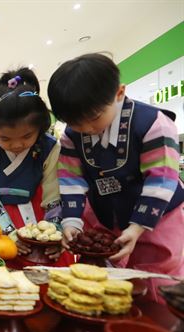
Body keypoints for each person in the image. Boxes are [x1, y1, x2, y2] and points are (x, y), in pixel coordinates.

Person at [48, 53, 184, 299]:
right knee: (100, 281)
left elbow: (161, 179)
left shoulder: (155, 124)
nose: (86, 129)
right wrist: (71, 222)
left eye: (93, 118)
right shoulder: (71, 135)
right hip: (104, 217)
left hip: (156, 219)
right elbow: (71, 180)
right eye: (76, 123)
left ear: (119, 93)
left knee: (154, 279)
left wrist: (137, 228)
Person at [0, 68, 70, 266]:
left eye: (27, 136)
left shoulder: (49, 146)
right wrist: (7, 234)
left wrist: (54, 234)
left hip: (40, 217)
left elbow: (54, 192)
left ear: (39, 127)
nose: (16, 145)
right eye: (4, 138)